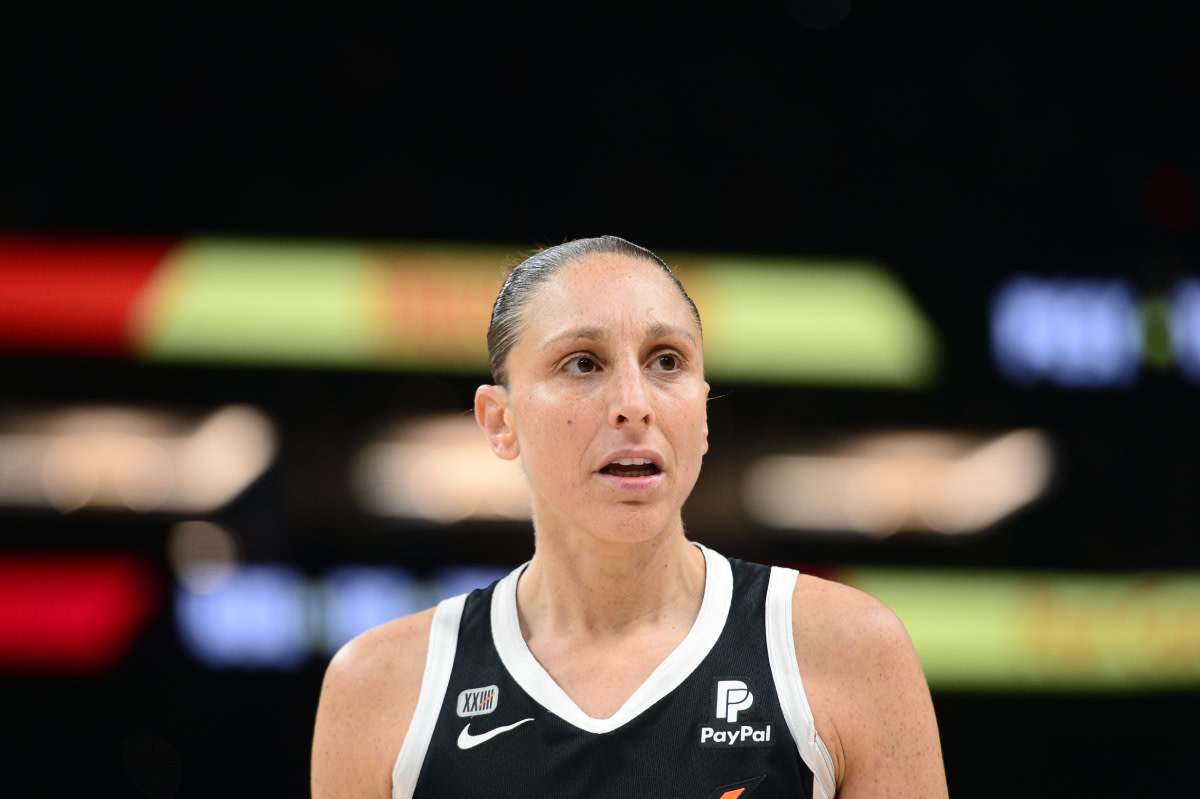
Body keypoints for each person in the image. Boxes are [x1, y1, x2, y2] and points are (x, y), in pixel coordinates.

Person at [311, 236, 948, 798]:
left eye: (667, 361)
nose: (633, 404)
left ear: (702, 411)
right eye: (582, 363)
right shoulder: (380, 687)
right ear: (499, 422)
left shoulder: (848, 649)